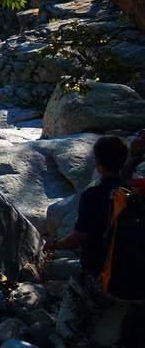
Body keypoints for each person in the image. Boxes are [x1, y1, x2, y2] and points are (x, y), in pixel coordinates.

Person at [46, 134, 145, 344]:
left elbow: (78, 238)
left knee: (77, 285)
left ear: (98, 164)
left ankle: (70, 335)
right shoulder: (135, 191)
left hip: (104, 278)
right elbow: (123, 175)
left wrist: (56, 245)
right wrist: (135, 156)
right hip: (140, 275)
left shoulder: (93, 195)